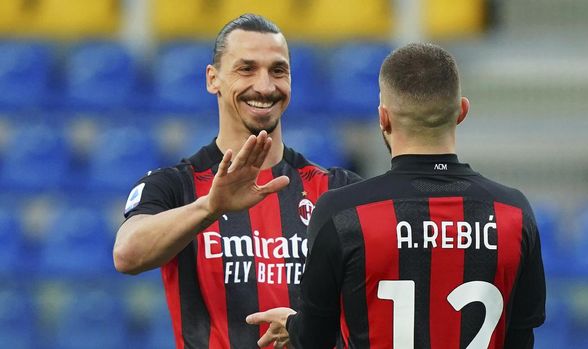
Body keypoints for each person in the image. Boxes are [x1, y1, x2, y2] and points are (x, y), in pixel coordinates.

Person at [246, 42, 546, 349]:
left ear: (383, 118)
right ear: (462, 111)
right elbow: (522, 336)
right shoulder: (513, 212)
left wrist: (293, 326)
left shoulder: (342, 213)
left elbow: (314, 339)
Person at [113, 14, 360, 349]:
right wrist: (210, 207)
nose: (264, 86)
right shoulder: (174, 186)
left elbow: (380, 301)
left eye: (278, 70)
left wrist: (307, 330)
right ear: (213, 79)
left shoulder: (338, 189)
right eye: (246, 69)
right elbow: (127, 255)